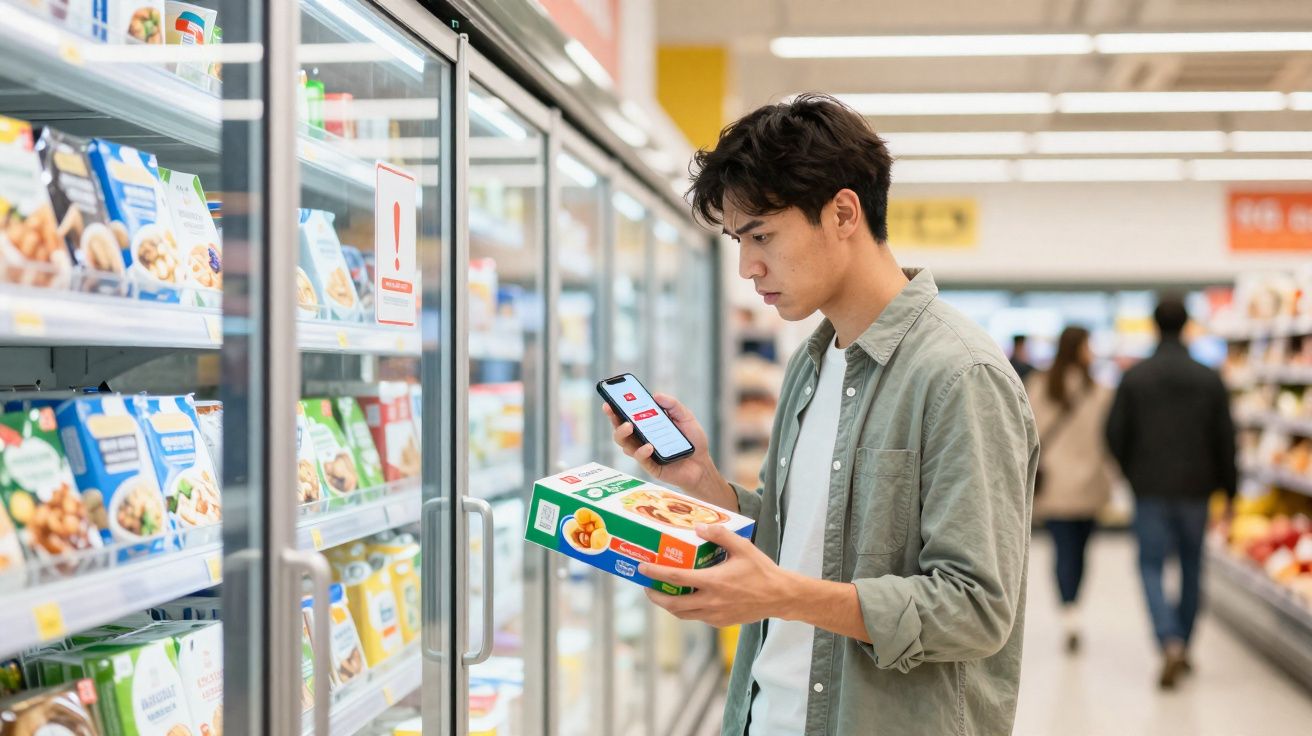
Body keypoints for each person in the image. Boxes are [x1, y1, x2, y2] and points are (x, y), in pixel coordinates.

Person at [602, 93, 1037, 736]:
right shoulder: (813, 362)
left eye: (762, 236)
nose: (748, 267)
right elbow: (802, 549)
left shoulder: (959, 375)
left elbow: (975, 610)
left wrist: (783, 596)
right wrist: (706, 485)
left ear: (842, 213)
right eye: (736, 240)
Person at [1106, 294, 1237, 690]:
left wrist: (1132, 473)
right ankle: (1184, 639)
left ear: (1153, 325)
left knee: (1150, 565)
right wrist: (1230, 490)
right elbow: (1226, 439)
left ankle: (1169, 640)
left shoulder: (1135, 377)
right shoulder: (1209, 377)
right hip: (1197, 490)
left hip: (1150, 488)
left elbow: (1114, 434)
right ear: (1187, 326)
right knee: (1193, 565)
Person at [1025, 326, 1116, 654]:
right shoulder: (1101, 392)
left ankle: (1069, 612)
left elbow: (1027, 433)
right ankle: (1073, 606)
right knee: (1081, 550)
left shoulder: (1039, 386)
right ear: (1079, 349)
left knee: (1063, 549)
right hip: (1090, 483)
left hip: (1056, 484)